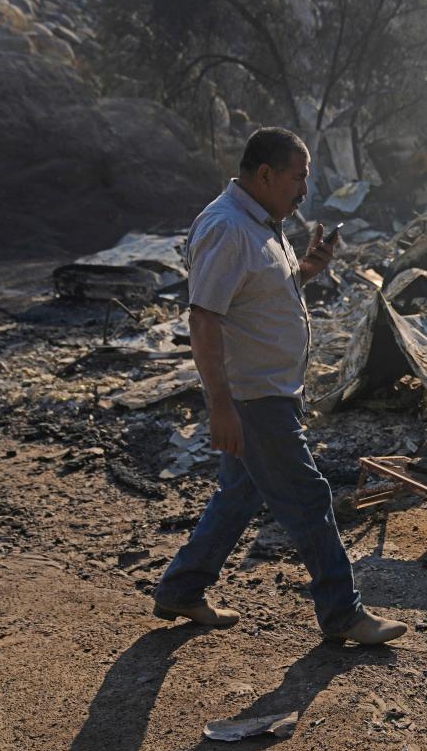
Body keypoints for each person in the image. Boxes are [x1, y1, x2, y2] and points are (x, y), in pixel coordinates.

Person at [152, 127, 406, 646]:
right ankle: (343, 612)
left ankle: (181, 588)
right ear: (264, 174)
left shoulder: (263, 224)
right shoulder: (228, 228)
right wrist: (220, 408)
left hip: (269, 393)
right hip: (253, 398)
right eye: (297, 178)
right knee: (310, 497)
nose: (303, 191)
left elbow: (260, 298)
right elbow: (204, 320)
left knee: (239, 496)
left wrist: (310, 266)